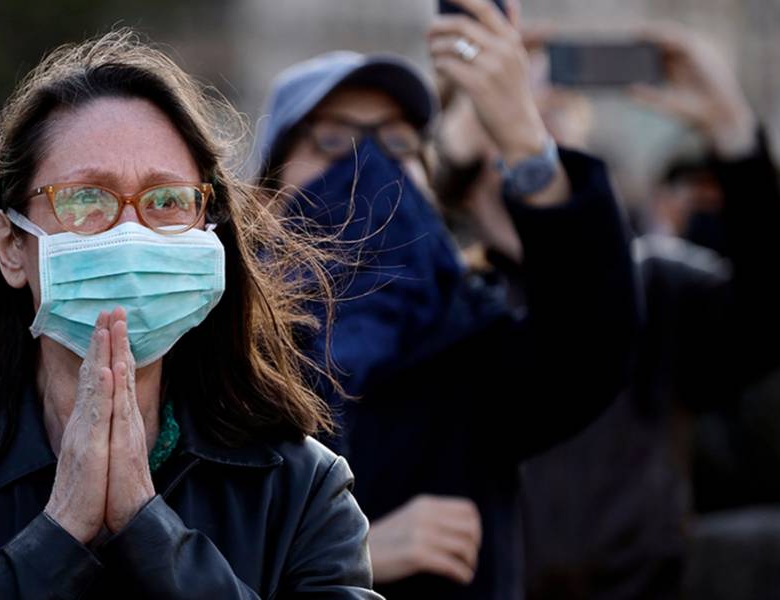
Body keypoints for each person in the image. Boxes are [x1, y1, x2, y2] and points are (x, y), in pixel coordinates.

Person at [0, 30, 380, 598]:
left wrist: (149, 527)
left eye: (166, 201)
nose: (131, 233)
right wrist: (59, 532)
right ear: (11, 245)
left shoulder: (300, 486)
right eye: (86, 200)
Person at [257, 0, 639, 597]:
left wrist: (518, 129)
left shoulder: (469, 352)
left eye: (399, 142)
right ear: (267, 197)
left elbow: (590, 343)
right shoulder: (223, 365)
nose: (368, 168)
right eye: (331, 140)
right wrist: (344, 553)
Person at [432, 23, 780, 599]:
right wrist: (460, 135)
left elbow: (779, 314)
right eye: (507, 121)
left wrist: (732, 130)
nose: (527, 139)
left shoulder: (652, 284)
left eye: (551, 123)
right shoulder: (436, 297)